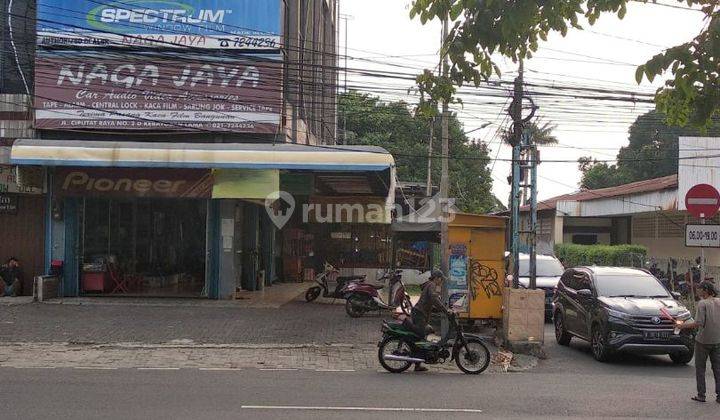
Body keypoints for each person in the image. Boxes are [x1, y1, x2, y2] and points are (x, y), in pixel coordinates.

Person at [677, 281, 720, 403]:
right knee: (717, 368)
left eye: (699, 289)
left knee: (700, 368)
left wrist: (682, 326)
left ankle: (701, 395)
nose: (697, 291)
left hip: (703, 340)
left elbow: (698, 323)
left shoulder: (702, 303)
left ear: (705, 290)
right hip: (717, 340)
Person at [406, 269, 452, 372]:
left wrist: (441, 308)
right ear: (436, 278)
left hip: (420, 313)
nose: (441, 281)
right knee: (421, 336)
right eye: (441, 279)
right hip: (419, 314)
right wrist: (445, 310)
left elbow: (433, 300)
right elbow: (434, 299)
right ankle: (417, 363)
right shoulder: (432, 285)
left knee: (422, 336)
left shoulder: (429, 284)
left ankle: (418, 363)